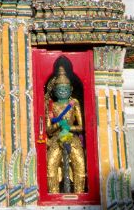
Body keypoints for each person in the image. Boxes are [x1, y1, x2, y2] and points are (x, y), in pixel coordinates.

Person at [43, 64, 86, 193]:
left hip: (72, 137)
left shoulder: (74, 104)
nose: (62, 91)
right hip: (56, 138)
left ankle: (79, 193)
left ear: (71, 89)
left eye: (65, 88)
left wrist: (69, 127)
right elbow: (48, 129)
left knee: (80, 164)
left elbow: (82, 126)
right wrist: (58, 125)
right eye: (59, 88)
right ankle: (54, 194)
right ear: (55, 91)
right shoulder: (51, 106)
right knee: (51, 165)